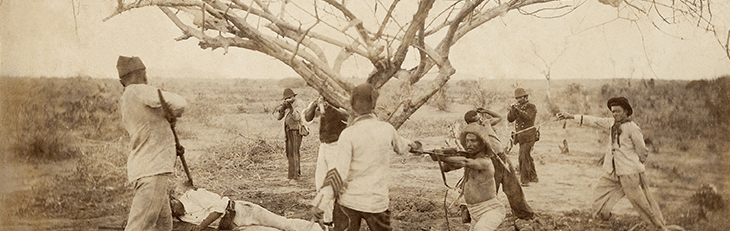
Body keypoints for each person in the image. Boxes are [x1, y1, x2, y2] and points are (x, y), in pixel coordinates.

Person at [557, 97, 668, 231]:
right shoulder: (611, 123)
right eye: (613, 111)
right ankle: (603, 221)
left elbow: (642, 151)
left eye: (618, 111)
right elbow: (593, 121)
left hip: (629, 173)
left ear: (626, 112)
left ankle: (658, 227)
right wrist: (570, 117)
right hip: (613, 172)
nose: (615, 114)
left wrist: (633, 164)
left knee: (641, 204)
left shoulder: (633, 128)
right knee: (599, 192)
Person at [329, 83, 421, 231]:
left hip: (349, 201)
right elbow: (402, 147)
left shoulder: (348, 134)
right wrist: (414, 144)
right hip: (377, 202)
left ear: (352, 106)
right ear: (374, 104)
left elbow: (340, 172)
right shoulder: (387, 129)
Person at [117, 55, 187, 231]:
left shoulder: (128, 97)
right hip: (153, 171)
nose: (146, 78)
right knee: (139, 226)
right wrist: (171, 110)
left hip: (148, 170)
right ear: (139, 74)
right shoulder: (138, 90)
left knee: (164, 225)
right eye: (143, 73)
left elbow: (151, 128)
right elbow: (180, 103)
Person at [465, 110, 535, 220]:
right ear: (470, 123)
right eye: (477, 120)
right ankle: (478, 215)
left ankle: (524, 214)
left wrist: (486, 111)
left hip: (502, 157)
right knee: (490, 190)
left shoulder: (486, 123)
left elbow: (499, 116)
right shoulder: (470, 133)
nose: (480, 120)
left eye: (480, 118)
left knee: (513, 186)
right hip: (490, 161)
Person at [170, 182, 323, 231]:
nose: (173, 209)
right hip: (234, 226)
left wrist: (202, 226)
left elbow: (218, 208)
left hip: (241, 211)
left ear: (173, 198)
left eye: (171, 204)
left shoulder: (192, 195)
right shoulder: (181, 218)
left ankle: (322, 229)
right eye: (169, 211)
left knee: (284, 224)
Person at [437, 123, 505, 231]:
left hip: (490, 210)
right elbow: (446, 168)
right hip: (474, 212)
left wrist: (441, 157)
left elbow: (465, 162)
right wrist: (440, 154)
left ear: (482, 144)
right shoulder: (469, 158)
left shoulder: (485, 161)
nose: (469, 144)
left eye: (473, 141)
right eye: (467, 141)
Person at [302, 95, 350, 226]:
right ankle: (329, 221)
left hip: (338, 146)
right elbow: (307, 117)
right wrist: (314, 105)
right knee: (321, 184)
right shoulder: (319, 101)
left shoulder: (340, 100)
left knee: (336, 185)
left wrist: (332, 108)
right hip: (324, 146)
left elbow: (350, 115)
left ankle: (341, 221)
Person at [507, 88, 539, 186]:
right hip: (521, 136)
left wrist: (517, 109)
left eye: (520, 98)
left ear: (526, 97)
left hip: (529, 136)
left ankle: (524, 180)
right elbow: (510, 119)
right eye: (517, 98)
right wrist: (512, 110)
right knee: (527, 156)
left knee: (523, 156)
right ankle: (533, 177)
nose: (518, 100)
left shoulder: (531, 106)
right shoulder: (518, 107)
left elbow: (528, 117)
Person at [275, 88, 307, 184]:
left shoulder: (298, 103)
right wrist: (282, 109)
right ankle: (291, 175)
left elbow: (297, 117)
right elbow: (278, 118)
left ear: (294, 96)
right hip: (288, 130)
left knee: (294, 152)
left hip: (296, 130)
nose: (288, 99)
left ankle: (295, 177)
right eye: (286, 98)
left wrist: (291, 107)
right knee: (289, 153)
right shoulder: (288, 105)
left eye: (289, 97)